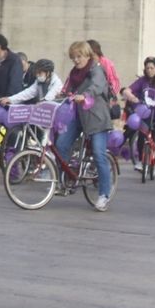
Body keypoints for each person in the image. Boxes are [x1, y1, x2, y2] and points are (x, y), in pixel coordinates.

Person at [54, 41, 115, 210]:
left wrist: (85, 95)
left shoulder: (96, 69)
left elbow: (97, 85)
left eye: (79, 56)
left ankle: (104, 195)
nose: (76, 60)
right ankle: (66, 181)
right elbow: (67, 88)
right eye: (73, 57)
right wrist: (59, 96)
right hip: (79, 115)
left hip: (96, 118)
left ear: (87, 55)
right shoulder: (75, 73)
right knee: (61, 144)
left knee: (98, 154)